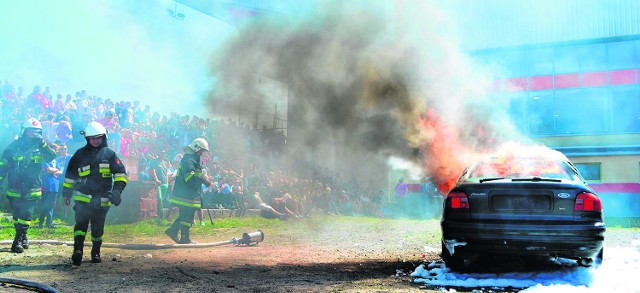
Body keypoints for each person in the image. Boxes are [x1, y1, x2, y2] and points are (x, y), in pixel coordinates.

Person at [62, 121, 128, 266]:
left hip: (102, 199)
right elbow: (70, 176)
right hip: (82, 198)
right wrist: (66, 193)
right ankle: (77, 250)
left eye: (98, 138)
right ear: (87, 139)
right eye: (92, 138)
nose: (96, 141)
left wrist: (117, 191)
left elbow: (121, 174)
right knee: (81, 224)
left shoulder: (109, 154)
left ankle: (95, 252)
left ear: (104, 137)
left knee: (98, 227)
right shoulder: (79, 154)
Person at [0, 118, 57, 253]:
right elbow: (3, 165)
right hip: (15, 187)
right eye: (31, 132)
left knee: (26, 214)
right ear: (25, 131)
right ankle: (24, 236)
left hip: (32, 187)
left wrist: (43, 144)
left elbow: (51, 157)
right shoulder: (14, 146)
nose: (34, 134)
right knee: (17, 215)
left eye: (37, 132)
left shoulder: (41, 146)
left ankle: (17, 241)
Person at [165, 138, 212, 244]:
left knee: (187, 215)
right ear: (196, 148)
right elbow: (190, 177)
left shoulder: (191, 159)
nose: (202, 154)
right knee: (187, 215)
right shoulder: (189, 160)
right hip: (185, 195)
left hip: (187, 193)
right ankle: (183, 237)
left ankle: (175, 232)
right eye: (201, 151)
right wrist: (204, 180)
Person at [39, 155, 63, 228]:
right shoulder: (45, 160)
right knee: (44, 204)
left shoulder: (56, 161)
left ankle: (49, 222)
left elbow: (61, 171)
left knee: (51, 205)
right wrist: (55, 170)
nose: (55, 153)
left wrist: (54, 170)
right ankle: (41, 222)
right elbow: (49, 169)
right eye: (55, 151)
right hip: (46, 186)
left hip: (55, 186)